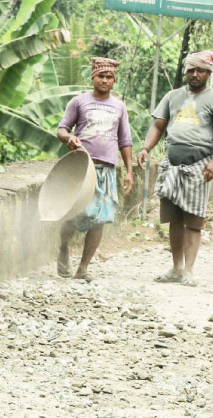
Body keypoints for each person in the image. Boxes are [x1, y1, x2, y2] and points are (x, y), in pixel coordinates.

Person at [137, 51, 213, 287]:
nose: (195, 74)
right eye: (191, 70)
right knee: (174, 219)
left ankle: (189, 270)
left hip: (200, 167)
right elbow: (158, 126)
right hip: (171, 164)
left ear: (208, 73)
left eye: (200, 70)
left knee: (194, 220)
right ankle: (176, 268)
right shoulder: (173, 96)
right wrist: (146, 148)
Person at [57, 57, 134, 282]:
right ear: (93, 77)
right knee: (75, 213)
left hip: (107, 170)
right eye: (101, 76)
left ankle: (83, 267)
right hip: (82, 168)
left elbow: (125, 140)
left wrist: (129, 171)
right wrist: (69, 138)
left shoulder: (119, 106)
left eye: (109, 77)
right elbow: (61, 129)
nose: (105, 80)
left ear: (113, 80)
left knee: (101, 217)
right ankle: (63, 246)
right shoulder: (79, 102)